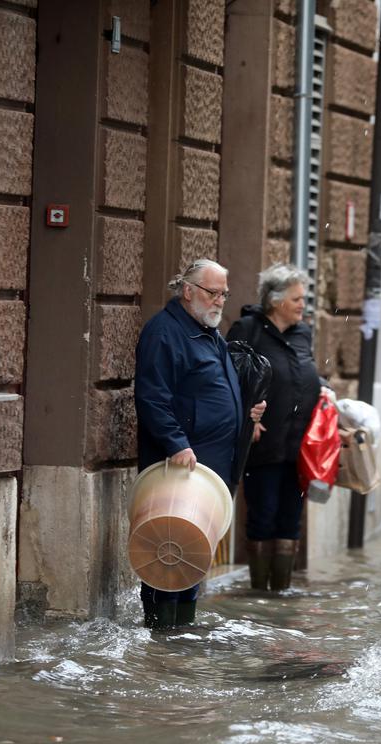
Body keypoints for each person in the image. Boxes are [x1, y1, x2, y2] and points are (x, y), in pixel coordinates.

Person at [134, 259, 265, 629]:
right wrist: (176, 443)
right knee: (168, 554)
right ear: (188, 290)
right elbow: (152, 397)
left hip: (209, 467)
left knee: (193, 555)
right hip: (180, 466)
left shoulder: (207, 331)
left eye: (224, 293)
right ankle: (161, 634)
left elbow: (215, 388)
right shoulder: (164, 333)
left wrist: (246, 416)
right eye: (213, 292)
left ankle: (181, 636)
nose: (220, 301)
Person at [227, 263, 328, 592]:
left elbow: (306, 375)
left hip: (300, 445)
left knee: (290, 518)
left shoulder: (303, 332)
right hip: (264, 444)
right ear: (276, 301)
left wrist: (326, 395)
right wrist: (246, 420)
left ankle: (281, 593)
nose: (303, 305)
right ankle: (259, 592)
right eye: (297, 299)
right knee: (264, 514)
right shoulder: (248, 329)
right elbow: (231, 381)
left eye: (303, 298)